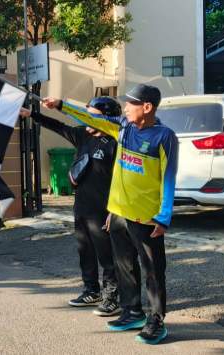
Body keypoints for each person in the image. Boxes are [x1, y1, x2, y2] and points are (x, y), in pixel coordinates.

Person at [41, 84, 179, 345]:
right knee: (124, 266)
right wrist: (60, 104)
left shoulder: (165, 137)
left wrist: (164, 216)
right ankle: (132, 312)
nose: (125, 107)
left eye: (131, 103)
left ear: (147, 107)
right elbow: (92, 118)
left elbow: (169, 178)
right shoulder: (123, 128)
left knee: (152, 270)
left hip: (146, 218)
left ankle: (156, 320)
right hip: (118, 213)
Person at [21, 97, 122, 316]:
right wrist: (32, 115)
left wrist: (115, 210)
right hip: (82, 206)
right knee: (84, 249)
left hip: (104, 209)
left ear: (105, 117)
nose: (86, 117)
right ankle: (90, 290)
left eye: (91, 113)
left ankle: (112, 296)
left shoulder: (115, 140)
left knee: (106, 254)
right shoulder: (82, 135)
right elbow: (58, 126)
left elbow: (121, 180)